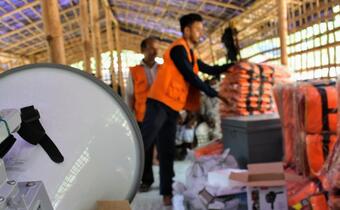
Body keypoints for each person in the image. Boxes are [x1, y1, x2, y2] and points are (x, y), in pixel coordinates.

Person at [141, 13, 233, 205]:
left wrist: (229, 67)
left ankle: (167, 194)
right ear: (187, 30)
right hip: (158, 103)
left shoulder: (191, 54)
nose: (201, 33)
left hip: (172, 107)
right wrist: (215, 94)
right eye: (198, 29)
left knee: (166, 151)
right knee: (143, 144)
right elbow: (191, 76)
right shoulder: (178, 50)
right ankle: (123, 176)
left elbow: (208, 69)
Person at [125, 36, 160, 193]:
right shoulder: (134, 71)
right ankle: (146, 180)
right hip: (142, 117)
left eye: (156, 48)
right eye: (151, 48)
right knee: (145, 150)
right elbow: (130, 95)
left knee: (165, 151)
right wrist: (129, 116)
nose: (155, 51)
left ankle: (167, 184)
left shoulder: (163, 69)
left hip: (162, 115)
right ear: (143, 50)